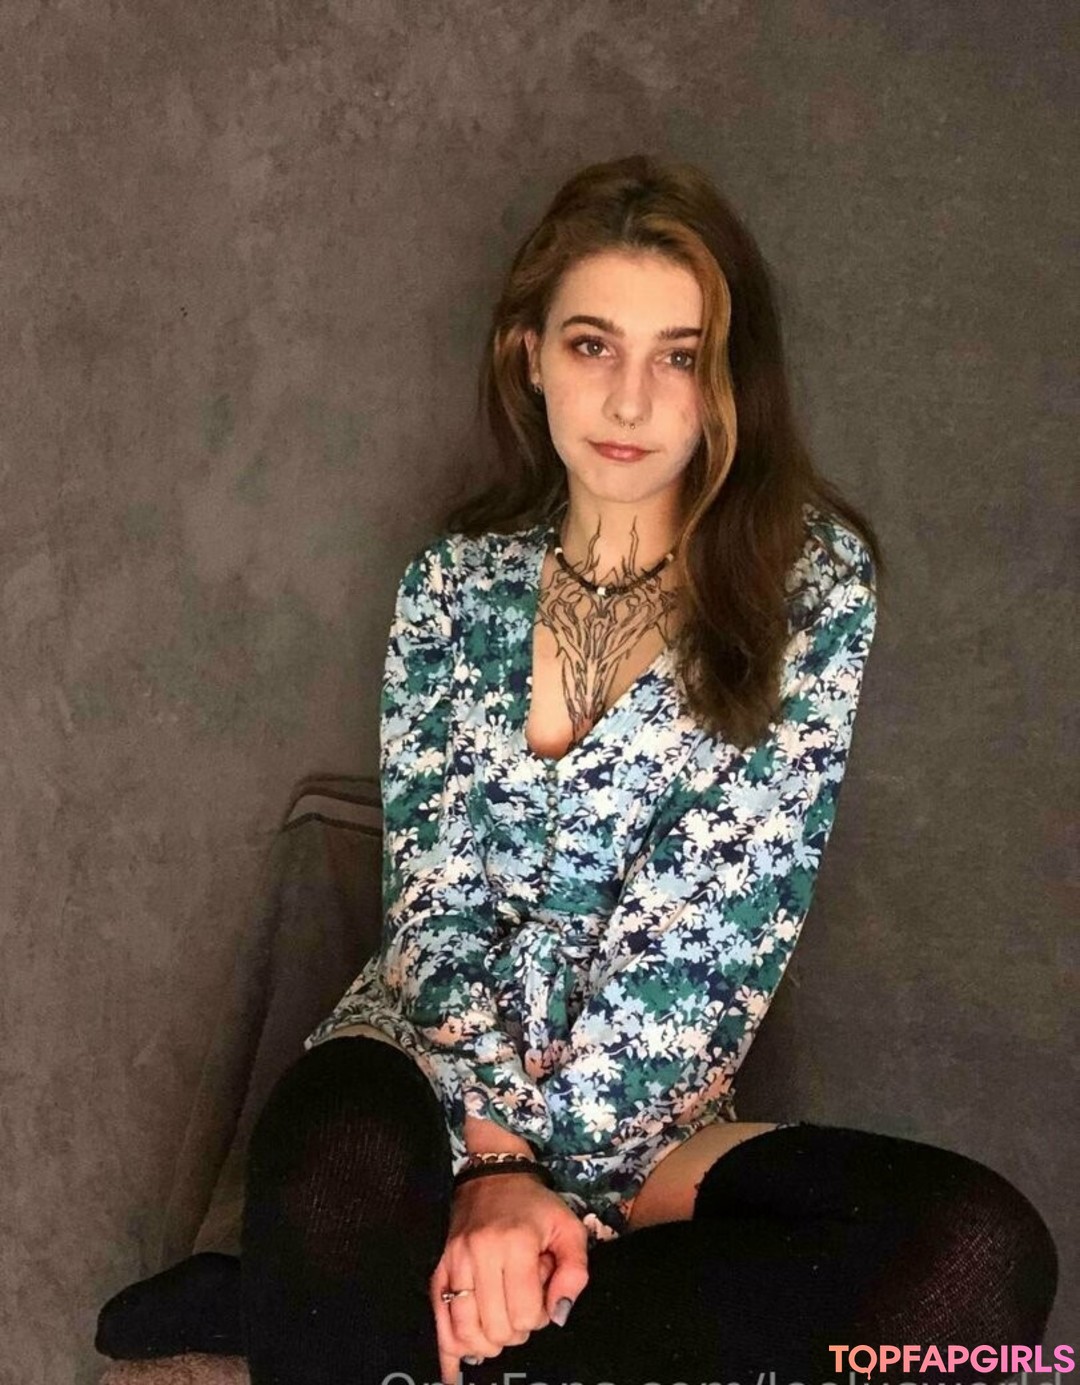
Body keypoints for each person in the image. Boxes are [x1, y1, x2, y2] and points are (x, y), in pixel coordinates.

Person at [96, 155, 1058, 1384]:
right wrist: (492, 1162)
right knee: (335, 1148)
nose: (631, 398)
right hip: (432, 1066)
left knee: (979, 1260)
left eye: (679, 356)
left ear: (726, 380)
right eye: (594, 344)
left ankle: (325, 1305)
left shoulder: (809, 588)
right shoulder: (455, 583)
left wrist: (552, 1199)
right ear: (531, 356)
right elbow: (435, 901)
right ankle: (374, 1284)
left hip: (646, 1119)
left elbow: (710, 944)